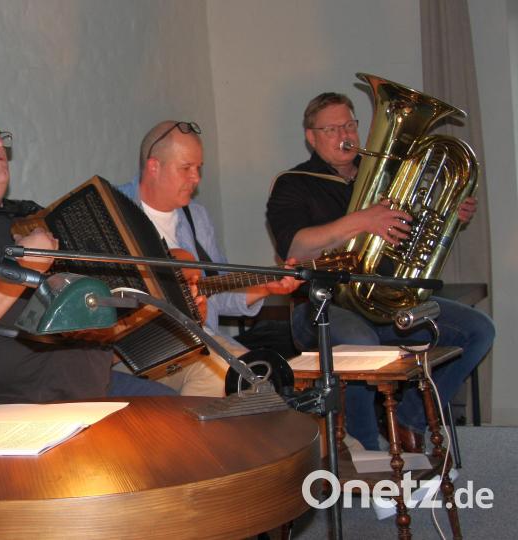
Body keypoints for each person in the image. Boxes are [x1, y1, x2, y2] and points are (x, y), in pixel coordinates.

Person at [0, 106, 176, 422]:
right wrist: (25, 268)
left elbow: (101, 297)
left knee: (183, 418)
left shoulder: (33, 219)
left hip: (90, 396)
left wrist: (163, 286)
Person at [266, 92, 495, 451]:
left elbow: (413, 233)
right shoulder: (293, 183)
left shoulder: (388, 178)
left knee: (478, 330)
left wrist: (451, 210)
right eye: (332, 128)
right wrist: (361, 222)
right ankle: (366, 445)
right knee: (361, 344)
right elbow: (294, 247)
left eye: (350, 124)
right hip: (323, 309)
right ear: (311, 136)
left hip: (385, 301)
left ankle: (408, 422)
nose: (345, 134)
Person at [115, 120, 300, 396]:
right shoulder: (115, 211)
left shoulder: (197, 218)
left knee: (263, 377)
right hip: (136, 351)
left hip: (201, 341)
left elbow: (217, 291)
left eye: (198, 168)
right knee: (225, 379)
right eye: (186, 168)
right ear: (154, 166)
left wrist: (265, 288)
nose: (196, 179)